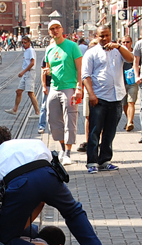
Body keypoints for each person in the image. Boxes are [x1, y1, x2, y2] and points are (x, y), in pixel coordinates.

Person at [0, 138, 126, 245]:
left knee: (7, 238)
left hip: (19, 184)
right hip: (48, 176)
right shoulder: (32, 142)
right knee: (73, 212)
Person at [82, 24, 134, 174]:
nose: (104, 38)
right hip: (99, 98)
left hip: (116, 97)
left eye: (107, 35)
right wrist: (91, 94)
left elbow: (131, 58)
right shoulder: (91, 53)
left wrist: (119, 46)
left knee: (110, 132)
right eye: (101, 36)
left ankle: (104, 160)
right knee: (94, 132)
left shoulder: (118, 51)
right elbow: (85, 75)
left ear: (111, 35)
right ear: (96, 36)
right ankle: (92, 162)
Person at [45, 19, 83, 166]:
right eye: (52, 29)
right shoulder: (49, 49)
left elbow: (80, 68)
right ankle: (62, 147)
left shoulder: (72, 46)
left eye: (57, 28)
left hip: (69, 87)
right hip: (54, 88)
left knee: (70, 119)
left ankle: (67, 152)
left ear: (62, 29)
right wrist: (48, 72)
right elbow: (49, 68)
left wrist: (79, 87)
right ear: (49, 32)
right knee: (53, 119)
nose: (55, 31)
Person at [5, 36, 41, 117]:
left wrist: (23, 72)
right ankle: (15, 109)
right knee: (18, 91)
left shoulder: (31, 50)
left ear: (29, 42)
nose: (23, 44)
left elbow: (32, 63)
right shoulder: (26, 51)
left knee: (30, 93)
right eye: (22, 42)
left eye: (25, 42)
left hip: (30, 73)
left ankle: (37, 112)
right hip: (26, 74)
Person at [121, 36, 138, 132]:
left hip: (132, 81)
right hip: (122, 81)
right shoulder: (119, 53)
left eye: (127, 42)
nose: (125, 44)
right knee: (124, 104)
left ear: (131, 43)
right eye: (123, 42)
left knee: (131, 101)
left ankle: (129, 122)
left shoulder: (135, 53)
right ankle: (128, 119)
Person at [38, 57, 52, 133]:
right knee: (44, 106)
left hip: (58, 86)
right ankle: (41, 126)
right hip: (48, 85)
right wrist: (44, 86)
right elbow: (43, 73)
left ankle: (54, 127)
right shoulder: (45, 58)